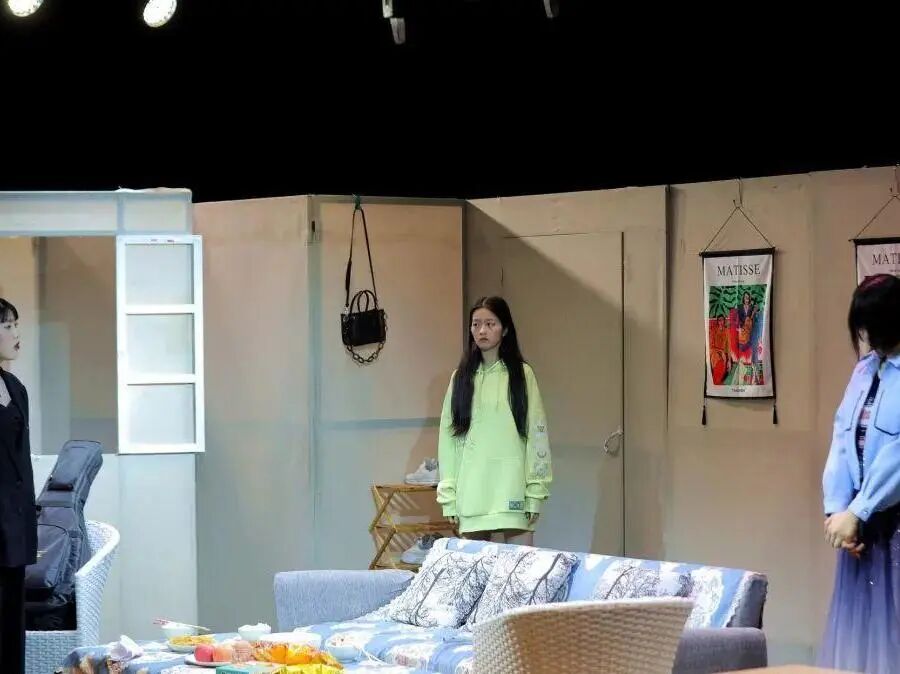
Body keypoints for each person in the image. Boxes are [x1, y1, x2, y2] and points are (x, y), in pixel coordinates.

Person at [819, 274, 900, 673]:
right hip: (862, 528)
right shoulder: (865, 369)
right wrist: (837, 509)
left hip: (891, 523)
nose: (868, 336)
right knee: (862, 640)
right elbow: (842, 434)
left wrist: (860, 509)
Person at [436, 296, 552, 546]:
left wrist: (535, 493)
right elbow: (448, 441)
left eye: (490, 324)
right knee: (474, 570)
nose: (482, 331)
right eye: (476, 324)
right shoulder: (460, 378)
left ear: (505, 329)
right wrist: (449, 498)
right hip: (471, 496)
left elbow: (537, 435)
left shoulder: (522, 375)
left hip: (513, 492)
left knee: (522, 568)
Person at [0, 298, 36, 674]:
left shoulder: (15, 387)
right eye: (7, 325)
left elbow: (20, 462)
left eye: (16, 325)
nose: (16, 333)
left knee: (12, 627)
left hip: (14, 528)